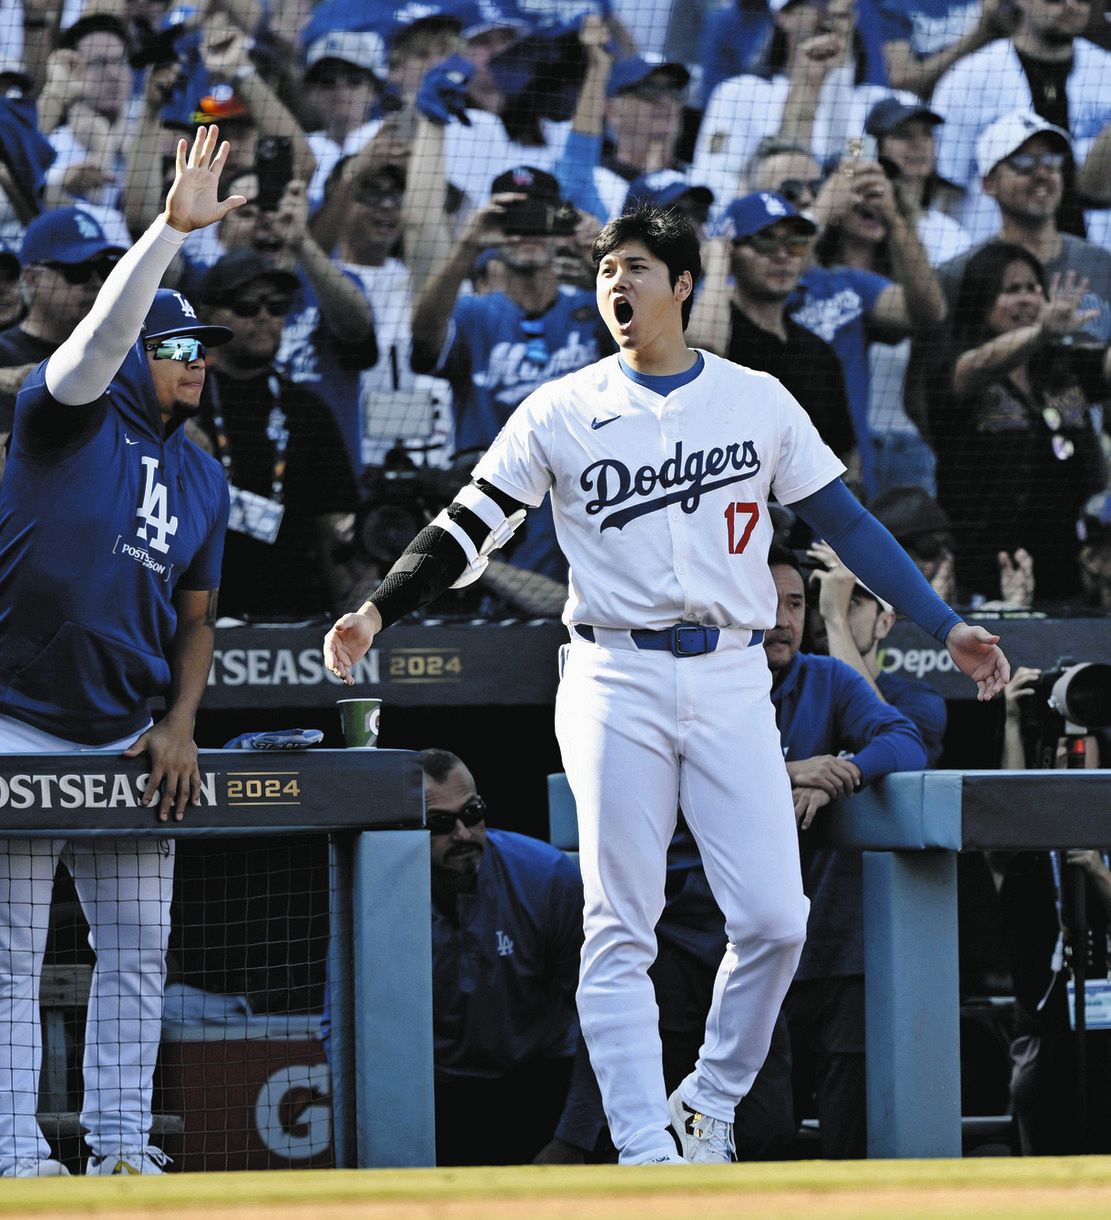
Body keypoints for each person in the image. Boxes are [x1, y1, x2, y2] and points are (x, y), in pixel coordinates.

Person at [324, 204, 1009, 1164]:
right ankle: (647, 1143)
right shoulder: (559, 408)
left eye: (637, 268)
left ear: (683, 286)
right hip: (612, 674)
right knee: (619, 923)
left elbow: (847, 524)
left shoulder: (756, 399)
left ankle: (708, 1099)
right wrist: (377, 611)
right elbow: (466, 524)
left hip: (731, 675)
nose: (617, 285)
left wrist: (947, 625)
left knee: (775, 920)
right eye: (605, 271)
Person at [0, 124, 240, 1178]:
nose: (194, 364)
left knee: (138, 950)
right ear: (144, 347)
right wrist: (169, 233)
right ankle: (11, 1148)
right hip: (17, 714)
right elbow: (98, 338)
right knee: (9, 956)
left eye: (202, 351)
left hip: (132, 735)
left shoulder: (205, 477)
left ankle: (119, 1145)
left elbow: (198, 617)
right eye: (179, 346)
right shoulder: (62, 418)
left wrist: (180, 723)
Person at [409, 164, 612, 581]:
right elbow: (424, 339)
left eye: (541, 218)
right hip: (497, 506)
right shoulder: (473, 313)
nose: (527, 232)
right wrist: (468, 244)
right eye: (513, 219)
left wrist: (602, 259)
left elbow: (659, 339)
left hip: (588, 496)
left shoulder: (597, 308)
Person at [418, 748, 585, 1165]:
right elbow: (344, 1023)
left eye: (472, 812)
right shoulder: (378, 895)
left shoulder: (547, 878)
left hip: (539, 1082)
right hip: (435, 1093)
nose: (463, 834)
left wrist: (574, 1139)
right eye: (440, 823)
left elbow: (601, 1020)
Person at [933, 242, 1108, 604]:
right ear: (980, 301)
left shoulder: (1063, 366)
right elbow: (975, 367)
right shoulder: (954, 368)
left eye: (1033, 288)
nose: (1026, 299)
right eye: (1011, 290)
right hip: (985, 570)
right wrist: (1041, 333)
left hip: (1068, 568)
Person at [195, 249, 358, 619]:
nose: (265, 318)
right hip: (197, 609)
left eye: (277, 306)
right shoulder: (185, 399)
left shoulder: (307, 410)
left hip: (293, 611)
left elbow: (332, 523)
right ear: (207, 314)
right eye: (246, 306)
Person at [687, 192, 855, 467]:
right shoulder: (721, 331)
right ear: (732, 253)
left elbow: (846, 451)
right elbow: (703, 346)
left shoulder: (816, 350)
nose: (782, 255)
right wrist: (717, 261)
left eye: (795, 244)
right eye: (765, 241)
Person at [931, 0, 1111, 245]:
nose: (1071, 5)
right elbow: (948, 189)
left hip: (1094, 257)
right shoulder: (969, 78)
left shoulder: (1106, 70)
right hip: (997, 262)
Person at [935, 113, 1111, 341]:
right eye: (1023, 163)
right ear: (989, 184)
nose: (1041, 173)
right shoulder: (960, 275)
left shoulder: (1101, 264)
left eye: (1051, 160)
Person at [0, 208, 124, 442]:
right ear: (32, 278)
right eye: (77, 271)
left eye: (104, 269)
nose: (96, 283)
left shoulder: (119, 351)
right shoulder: (4, 356)